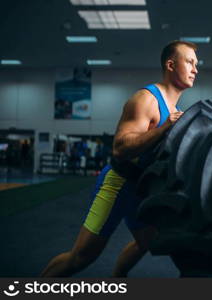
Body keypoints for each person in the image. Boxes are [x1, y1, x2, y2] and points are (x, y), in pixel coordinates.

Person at [41, 40, 199, 277]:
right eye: (189, 62)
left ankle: (118, 279)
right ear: (170, 64)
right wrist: (163, 128)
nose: (195, 69)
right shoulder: (147, 99)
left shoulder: (174, 107)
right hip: (118, 185)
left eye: (196, 64)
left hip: (141, 190)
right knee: (81, 258)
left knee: (149, 243)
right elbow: (120, 147)